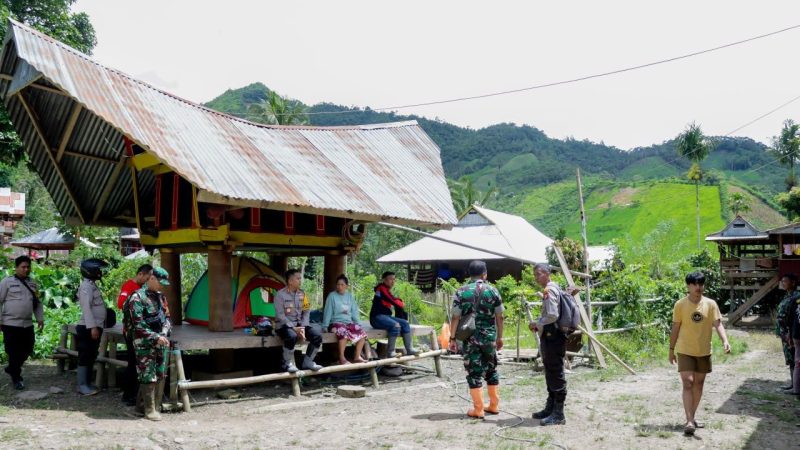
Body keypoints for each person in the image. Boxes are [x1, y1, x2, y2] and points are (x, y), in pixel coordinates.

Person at [669, 271, 731, 436]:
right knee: (688, 382)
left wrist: (725, 340)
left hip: (703, 350)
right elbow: (675, 327)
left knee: (699, 384)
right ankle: (689, 421)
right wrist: (671, 349)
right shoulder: (680, 305)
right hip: (685, 350)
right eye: (695, 284)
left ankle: (692, 417)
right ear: (688, 286)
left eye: (701, 284)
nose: (699, 287)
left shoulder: (710, 304)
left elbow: (717, 324)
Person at [447, 260, 504, 419]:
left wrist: (452, 338)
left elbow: (455, 317)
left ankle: (478, 409)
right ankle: (493, 405)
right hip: (489, 338)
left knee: (474, 372)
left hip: (470, 338)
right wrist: (500, 337)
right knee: (491, 370)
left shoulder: (461, 291)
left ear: (468, 274)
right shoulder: (493, 291)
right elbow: (500, 316)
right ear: (485, 274)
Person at [126, 267, 172, 421]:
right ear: (151, 279)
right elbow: (138, 325)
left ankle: (140, 407)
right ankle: (149, 410)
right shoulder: (137, 298)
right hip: (143, 342)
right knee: (147, 374)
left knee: (159, 373)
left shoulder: (160, 297)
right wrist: (155, 337)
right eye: (160, 282)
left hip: (160, 339)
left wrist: (164, 332)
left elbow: (167, 318)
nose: (162, 286)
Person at [528, 263, 568, 426]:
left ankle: (558, 414)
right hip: (552, 335)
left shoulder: (549, 290)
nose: (536, 277)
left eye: (539, 274)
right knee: (551, 371)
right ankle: (551, 408)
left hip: (553, 336)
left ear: (547, 273)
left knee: (555, 371)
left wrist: (537, 323)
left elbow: (552, 315)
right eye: (535, 274)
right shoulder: (554, 288)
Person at [0, 255, 43, 390]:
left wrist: (40, 318)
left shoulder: (33, 284)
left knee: (28, 349)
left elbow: (38, 303)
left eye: (28, 267)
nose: (26, 269)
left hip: (27, 324)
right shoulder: (6, 282)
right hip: (10, 323)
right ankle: (17, 378)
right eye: (23, 267)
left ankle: (12, 368)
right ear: (16, 268)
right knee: (13, 351)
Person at [117, 264, 153, 406]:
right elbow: (120, 304)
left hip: (137, 332)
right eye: (147, 277)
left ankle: (132, 393)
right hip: (131, 332)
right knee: (132, 363)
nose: (148, 280)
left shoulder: (140, 288)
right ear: (141, 274)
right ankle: (128, 395)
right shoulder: (129, 286)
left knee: (135, 363)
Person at [274, 269, 323, 373]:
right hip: (284, 326)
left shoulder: (302, 294)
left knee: (317, 335)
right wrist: (293, 327)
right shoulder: (280, 295)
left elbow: (306, 311)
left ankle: (308, 362)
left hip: (300, 325)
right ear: (290, 281)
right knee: (292, 336)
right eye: (298, 278)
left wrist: (304, 327)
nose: (300, 281)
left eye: (300, 278)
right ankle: (287, 363)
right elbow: (280, 315)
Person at [76, 258, 109, 396]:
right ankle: (82, 385)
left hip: (95, 326)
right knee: (85, 355)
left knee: (91, 355)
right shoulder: (86, 286)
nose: (100, 272)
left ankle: (87, 383)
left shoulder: (92, 285)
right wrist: (93, 327)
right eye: (98, 269)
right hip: (88, 327)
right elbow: (87, 309)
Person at [322, 274, 368, 365]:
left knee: (362, 333)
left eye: (342, 285)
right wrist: (325, 326)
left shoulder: (350, 296)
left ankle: (357, 356)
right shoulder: (332, 296)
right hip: (336, 323)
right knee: (343, 333)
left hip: (348, 323)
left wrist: (358, 323)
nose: (339, 286)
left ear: (346, 286)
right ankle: (342, 358)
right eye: (338, 284)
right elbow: (328, 311)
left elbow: (354, 311)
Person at [370, 271, 416, 358]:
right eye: (391, 279)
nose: (393, 281)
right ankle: (390, 352)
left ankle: (410, 350)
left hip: (385, 317)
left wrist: (399, 302)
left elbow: (394, 299)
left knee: (405, 323)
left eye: (394, 279)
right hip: (376, 318)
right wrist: (401, 303)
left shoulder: (386, 290)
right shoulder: (381, 288)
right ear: (384, 280)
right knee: (395, 325)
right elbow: (393, 300)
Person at [775, 273, 798, 391]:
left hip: (791, 333)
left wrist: (790, 332)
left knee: (795, 358)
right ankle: (793, 384)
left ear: (793, 282)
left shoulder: (796, 297)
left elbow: (794, 317)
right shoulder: (787, 296)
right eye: (782, 281)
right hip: (784, 333)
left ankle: (796, 386)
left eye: (785, 281)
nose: (783, 283)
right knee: (790, 359)